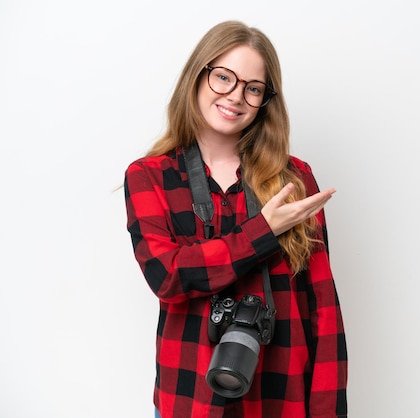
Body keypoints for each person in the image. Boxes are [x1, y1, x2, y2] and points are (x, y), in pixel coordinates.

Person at [124, 20, 348, 418]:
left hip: (282, 400)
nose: (236, 96)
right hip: (190, 399)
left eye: (253, 88)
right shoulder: (150, 175)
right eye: (223, 77)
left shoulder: (293, 178)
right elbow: (167, 276)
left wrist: (329, 409)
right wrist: (263, 231)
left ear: (265, 100)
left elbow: (323, 308)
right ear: (197, 76)